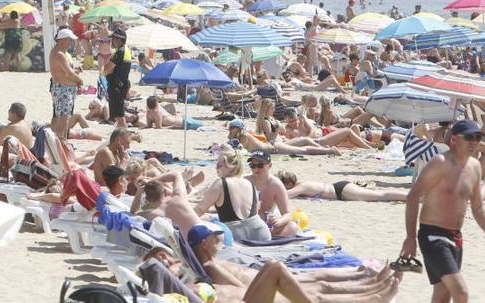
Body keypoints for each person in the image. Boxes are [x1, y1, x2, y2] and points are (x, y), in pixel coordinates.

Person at [185, 226, 402, 303]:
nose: (218, 241)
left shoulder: (211, 264)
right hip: (257, 290)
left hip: (258, 284)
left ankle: (372, 287)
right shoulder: (210, 267)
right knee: (318, 290)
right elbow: (239, 288)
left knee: (319, 287)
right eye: (214, 238)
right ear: (204, 243)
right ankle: (373, 293)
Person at [400, 119, 485, 303]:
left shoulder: (475, 167)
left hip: (456, 237)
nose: (474, 142)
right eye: (469, 137)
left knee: (442, 294)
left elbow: (477, 207)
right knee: (461, 292)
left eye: (477, 137)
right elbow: (413, 197)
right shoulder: (440, 163)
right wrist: (410, 237)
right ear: (454, 140)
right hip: (433, 235)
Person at [195, 150, 271, 242]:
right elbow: (255, 209)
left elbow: (200, 209)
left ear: (231, 166)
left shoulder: (220, 184)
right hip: (261, 232)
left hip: (235, 236)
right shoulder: (249, 183)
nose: (216, 168)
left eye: (219, 165)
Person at [245, 151, 298, 237]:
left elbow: (287, 214)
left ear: (270, 165)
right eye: (253, 166)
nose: (256, 169)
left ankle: (268, 240)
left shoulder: (276, 185)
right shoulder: (244, 181)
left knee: (292, 227)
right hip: (245, 224)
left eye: (260, 165)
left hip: (267, 226)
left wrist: (279, 222)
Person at [228, 119, 340, 156]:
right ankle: (327, 149)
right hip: (272, 146)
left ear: (238, 129)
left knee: (303, 151)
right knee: (303, 144)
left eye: (232, 128)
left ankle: (329, 150)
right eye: (229, 128)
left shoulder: (244, 136)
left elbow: (236, 151)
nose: (230, 130)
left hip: (273, 148)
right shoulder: (240, 137)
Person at [278, 171, 408, 202]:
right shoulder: (302, 186)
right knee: (379, 195)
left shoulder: (303, 186)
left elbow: (286, 196)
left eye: (283, 186)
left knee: (380, 196)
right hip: (341, 189)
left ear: (289, 183)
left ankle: (413, 197)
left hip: (341, 191)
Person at [50, 28, 83, 141]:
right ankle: (61, 143)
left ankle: (58, 142)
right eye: (69, 40)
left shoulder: (57, 52)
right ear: (62, 40)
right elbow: (68, 74)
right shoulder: (59, 54)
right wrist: (80, 80)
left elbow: (65, 72)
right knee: (63, 119)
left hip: (62, 88)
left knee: (59, 117)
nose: (71, 43)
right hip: (63, 89)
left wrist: (75, 73)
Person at [103, 28, 132, 128]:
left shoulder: (119, 52)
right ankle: (122, 135)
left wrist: (108, 58)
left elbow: (106, 69)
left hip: (116, 86)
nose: (112, 42)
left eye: (113, 39)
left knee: (119, 116)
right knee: (118, 115)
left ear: (118, 40)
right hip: (122, 85)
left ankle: (125, 136)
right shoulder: (126, 51)